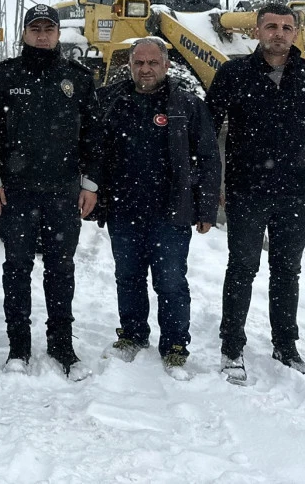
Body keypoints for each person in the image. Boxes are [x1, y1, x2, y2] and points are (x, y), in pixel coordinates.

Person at [206, 3, 305, 383]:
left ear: (296, 34)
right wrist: (211, 184)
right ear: (256, 31)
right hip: (246, 190)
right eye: (271, 26)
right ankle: (232, 347)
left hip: (296, 192)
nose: (279, 33)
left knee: (287, 271)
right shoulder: (234, 74)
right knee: (242, 268)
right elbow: (205, 133)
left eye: (286, 27)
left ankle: (286, 345)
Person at [0, 4, 98, 379]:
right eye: (35, 28)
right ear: (24, 33)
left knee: (61, 268)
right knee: (17, 268)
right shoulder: (4, 77)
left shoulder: (78, 78)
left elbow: (93, 137)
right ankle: (19, 346)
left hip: (63, 192)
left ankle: (62, 344)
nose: (42, 34)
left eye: (49, 28)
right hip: (17, 193)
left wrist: (90, 184)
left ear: (59, 34)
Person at [94, 37, 219, 378]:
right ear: (130, 65)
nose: (145, 69)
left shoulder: (187, 106)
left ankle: (176, 345)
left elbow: (208, 157)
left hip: (171, 210)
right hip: (123, 208)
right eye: (139, 63)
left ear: (166, 66)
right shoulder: (110, 101)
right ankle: (133, 334)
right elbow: (92, 151)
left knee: (171, 281)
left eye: (152, 63)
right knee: (128, 277)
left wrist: (206, 208)